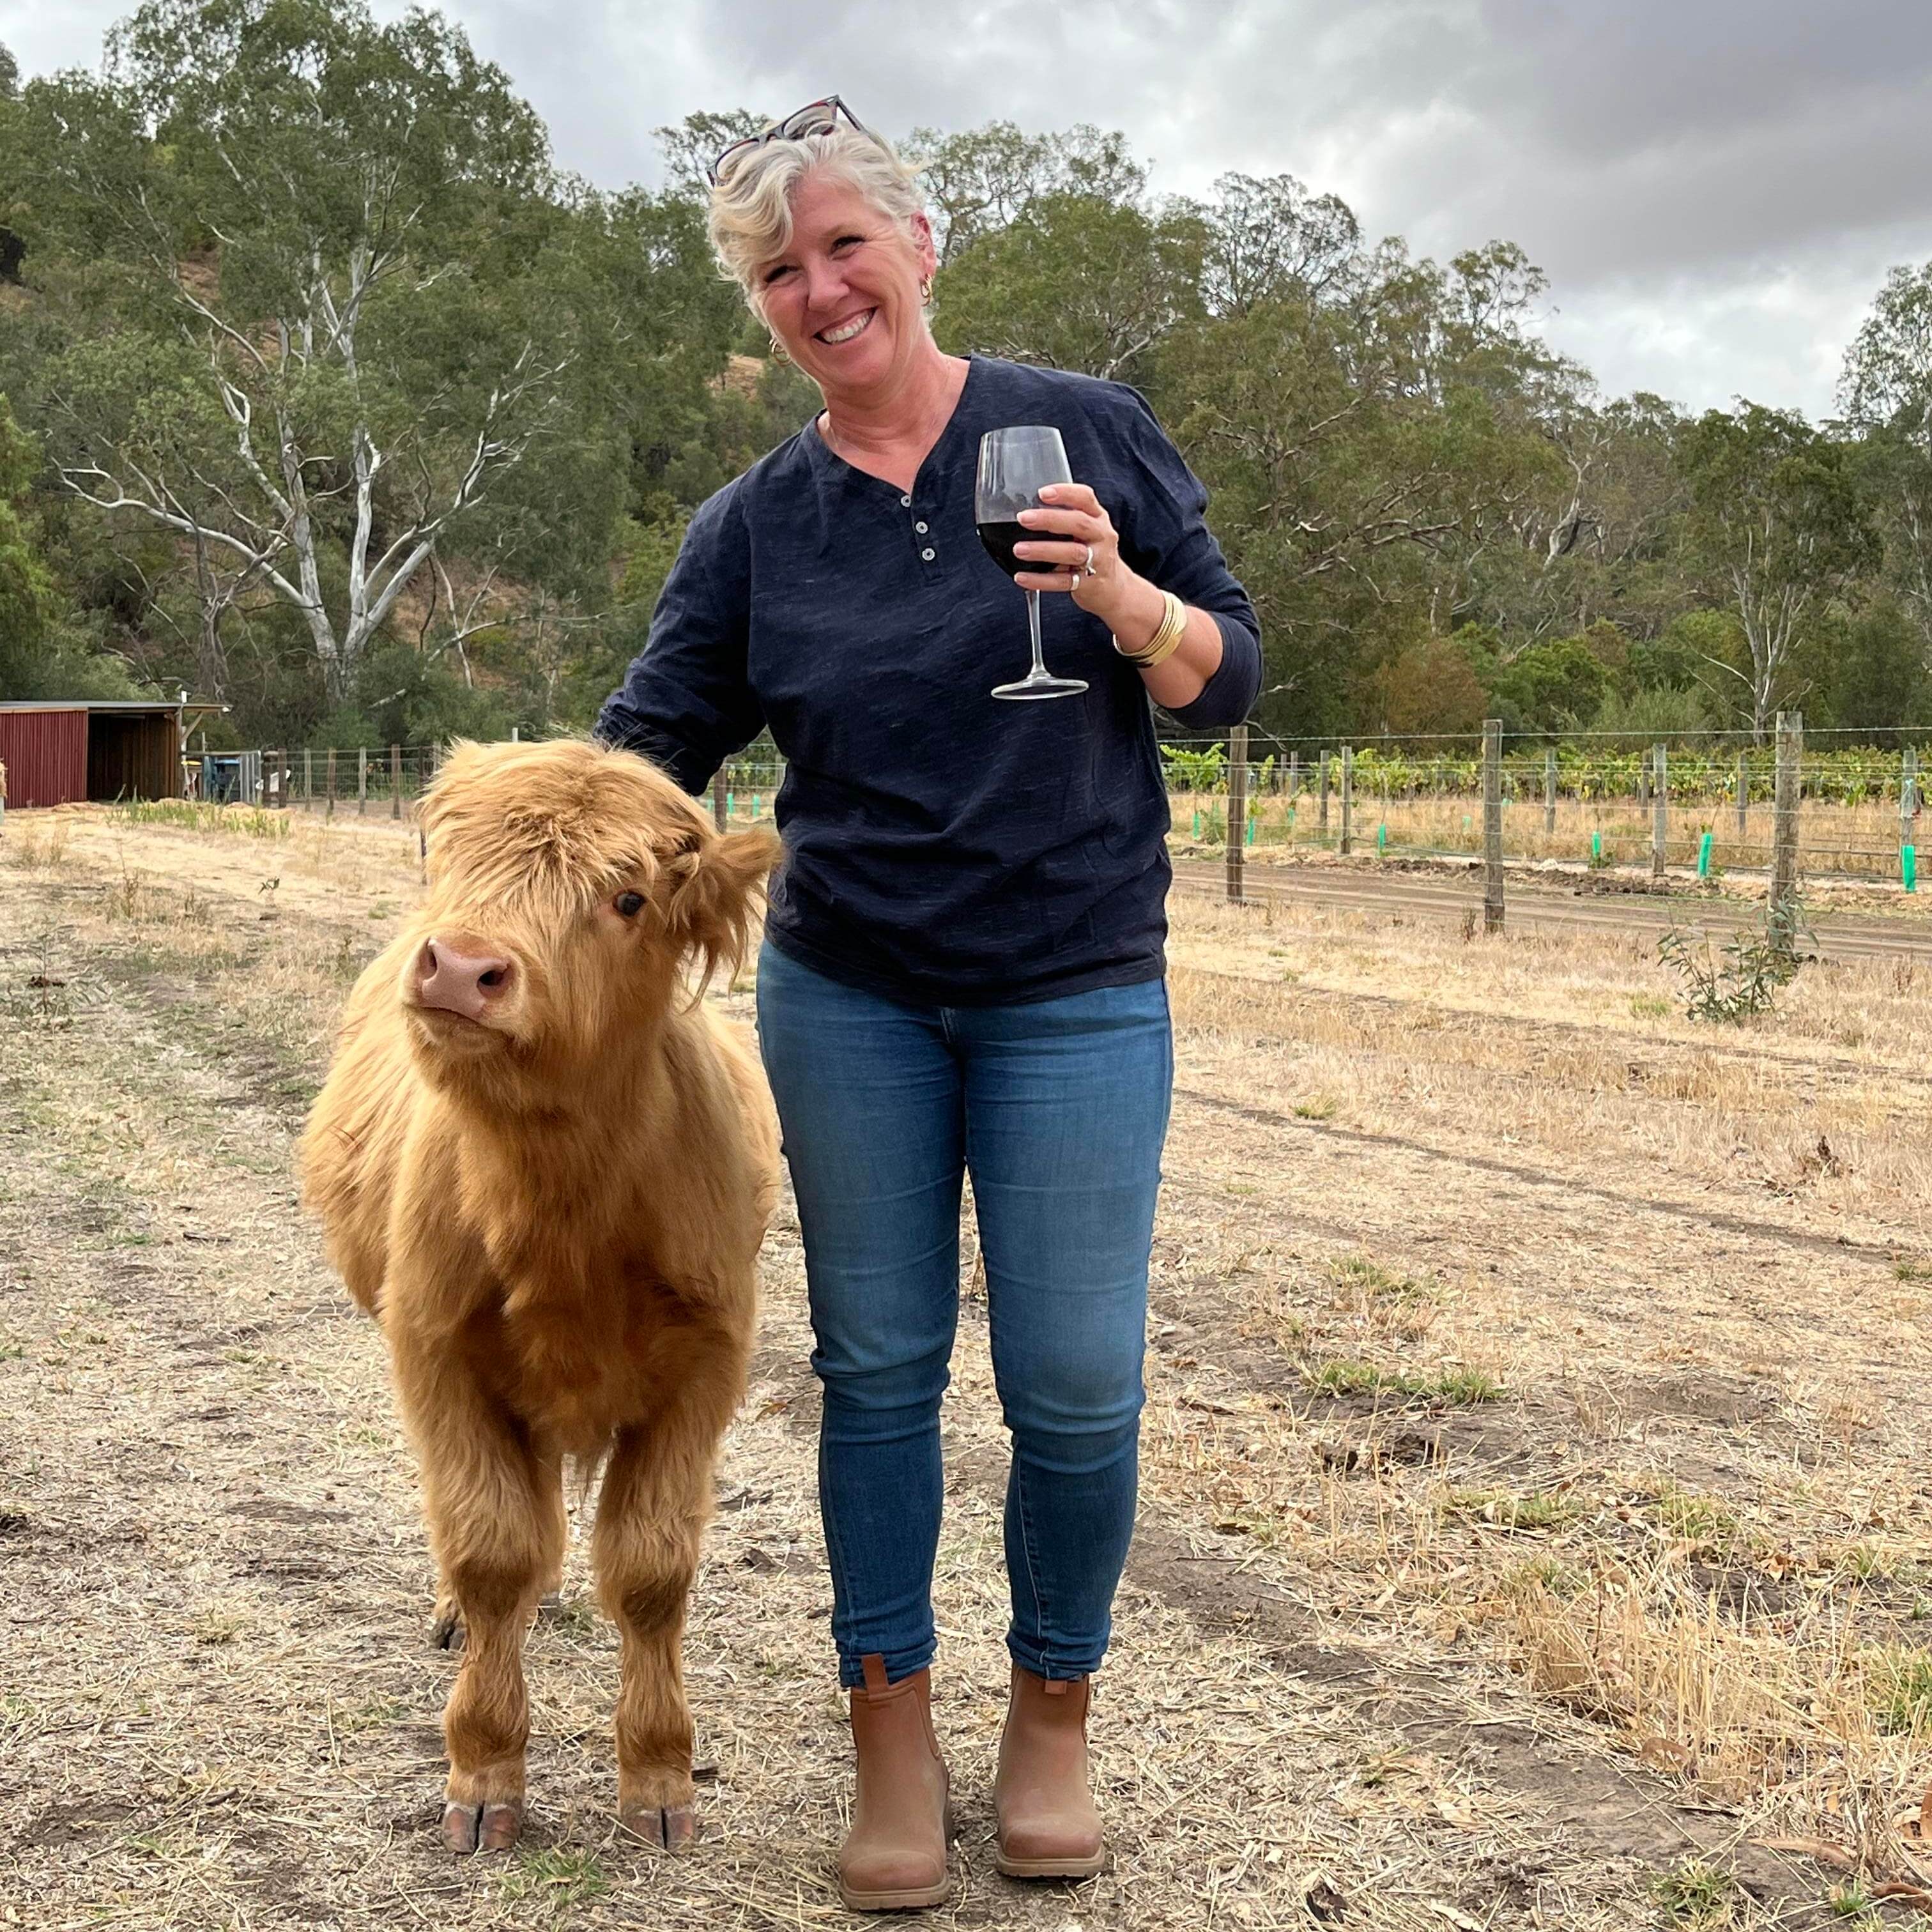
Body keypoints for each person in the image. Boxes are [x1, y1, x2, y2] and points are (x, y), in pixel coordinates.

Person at [597, 98, 1261, 1912]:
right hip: (855, 993)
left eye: (840, 246)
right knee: (876, 1375)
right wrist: (564, 847)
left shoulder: (1084, 433)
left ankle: (1054, 1716)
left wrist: (1119, 590)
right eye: (778, 271)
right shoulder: (758, 526)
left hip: (1073, 989)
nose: (816, 290)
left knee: (1073, 1385)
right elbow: (654, 735)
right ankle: (891, 1727)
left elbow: (1226, 683)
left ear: (919, 245)